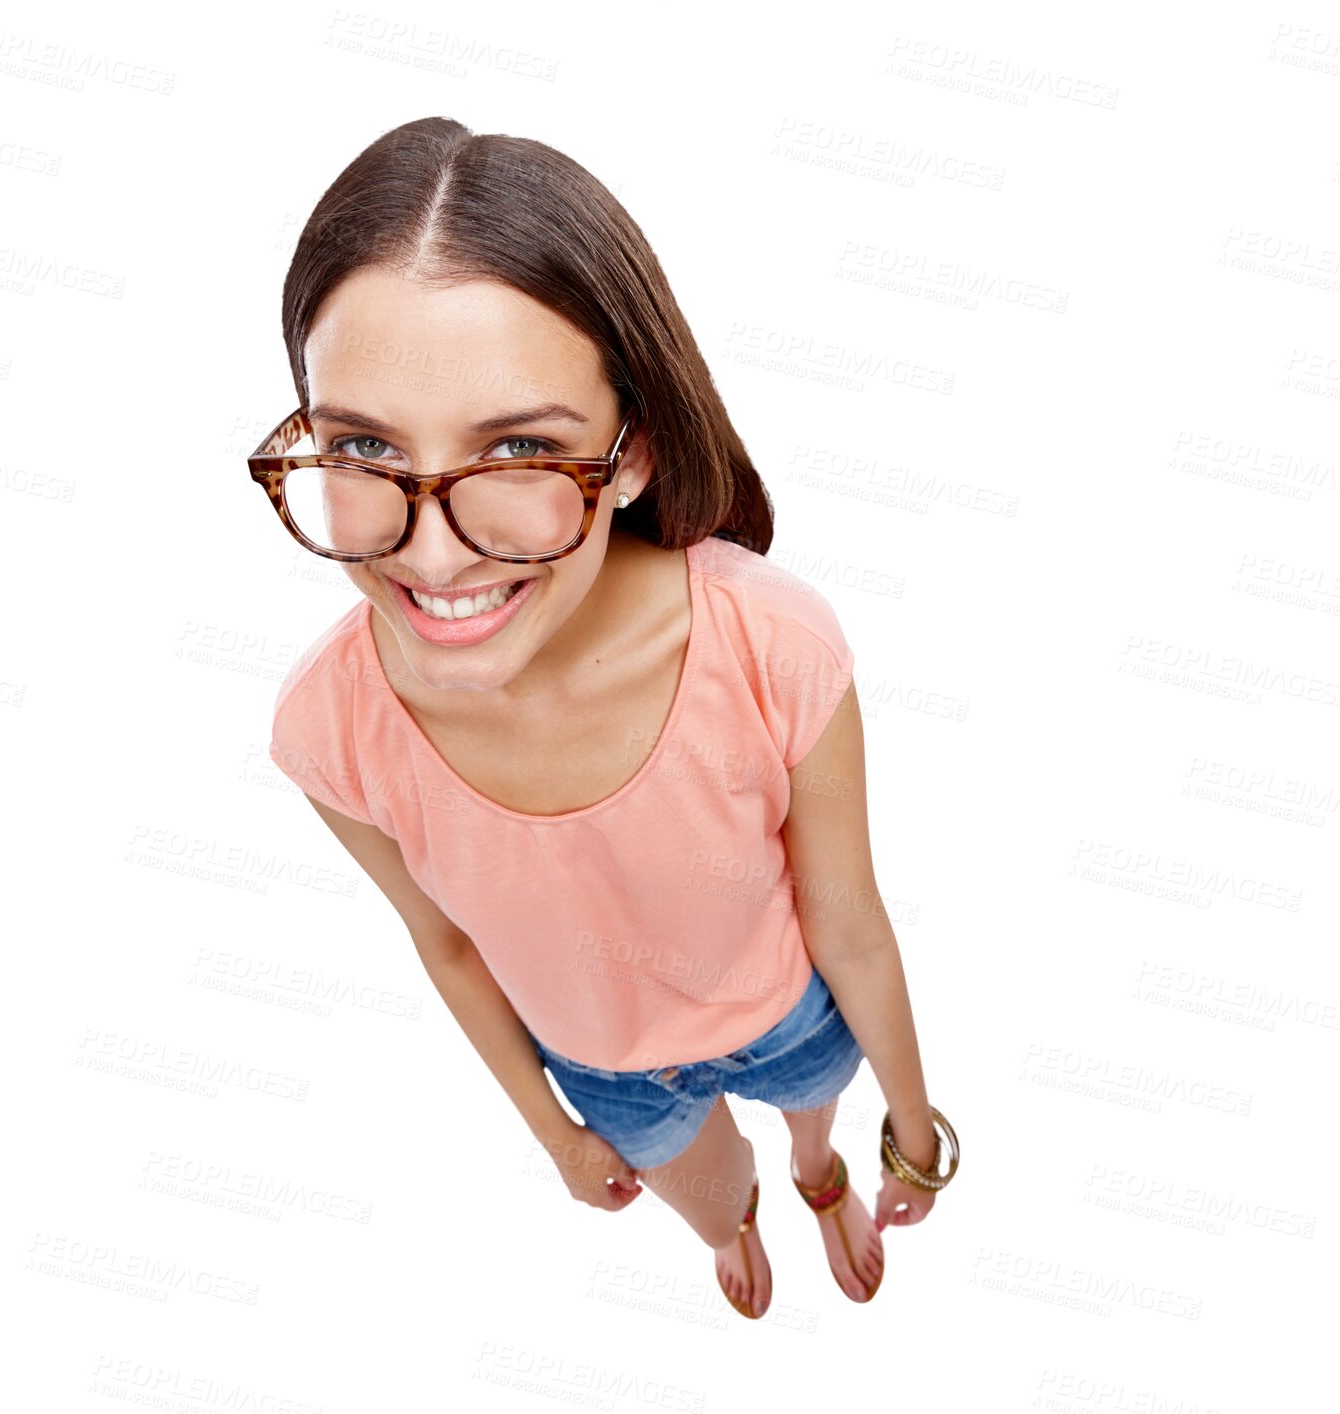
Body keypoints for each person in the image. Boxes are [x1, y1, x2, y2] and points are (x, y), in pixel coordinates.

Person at [251, 117, 958, 1321]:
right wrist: (556, 1135)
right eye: (366, 445)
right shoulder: (329, 731)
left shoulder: (770, 644)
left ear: (632, 451)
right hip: (611, 1071)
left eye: (521, 446)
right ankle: (740, 1212)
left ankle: (813, 1168)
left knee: (802, 1121)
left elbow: (849, 913)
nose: (432, 553)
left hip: (788, 1011)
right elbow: (450, 944)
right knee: (711, 1197)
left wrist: (905, 1124)